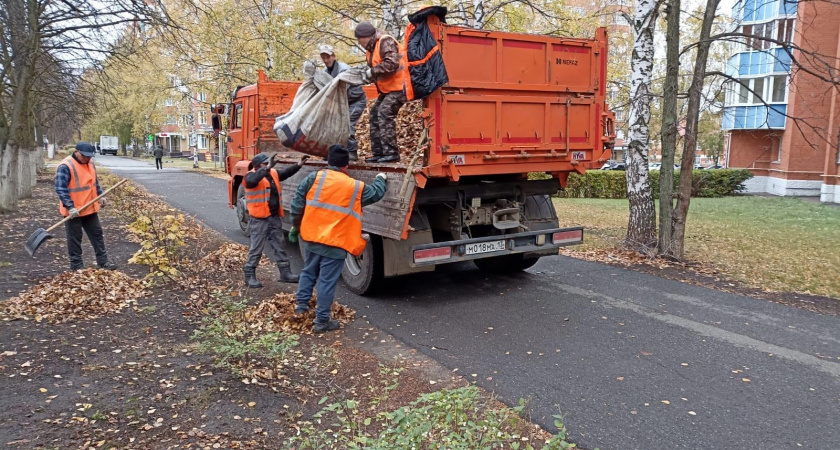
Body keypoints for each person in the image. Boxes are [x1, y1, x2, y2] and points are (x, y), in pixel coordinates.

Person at [289, 145, 387, 333]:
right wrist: (381, 179)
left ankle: (301, 306)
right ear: (346, 165)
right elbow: (376, 193)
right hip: (335, 243)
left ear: (329, 162)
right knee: (326, 282)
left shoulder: (314, 178)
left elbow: (297, 203)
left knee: (309, 272)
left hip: (311, 237)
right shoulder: (354, 186)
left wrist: (296, 225)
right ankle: (321, 322)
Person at [242, 152, 309, 288]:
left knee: (280, 246)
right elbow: (252, 181)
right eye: (265, 163)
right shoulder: (250, 176)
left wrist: (299, 165)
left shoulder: (272, 173)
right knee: (256, 248)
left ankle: (285, 274)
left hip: (273, 217)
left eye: (268, 163)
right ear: (257, 166)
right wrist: (265, 169)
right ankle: (249, 276)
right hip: (259, 219)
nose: (268, 165)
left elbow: (285, 173)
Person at [54, 142, 117, 271]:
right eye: (84, 156)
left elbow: (94, 183)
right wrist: (70, 207)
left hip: (89, 208)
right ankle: (76, 265)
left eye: (89, 156)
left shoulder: (90, 164)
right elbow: (61, 189)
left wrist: (100, 196)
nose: (87, 159)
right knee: (75, 238)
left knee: (97, 234)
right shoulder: (66, 166)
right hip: (74, 211)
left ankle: (103, 261)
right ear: (77, 152)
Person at [355, 21, 406, 164]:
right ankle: (379, 153)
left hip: (400, 87)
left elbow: (391, 63)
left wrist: (371, 72)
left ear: (366, 36)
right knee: (374, 114)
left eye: (359, 39)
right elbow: (374, 67)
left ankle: (391, 153)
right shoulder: (371, 48)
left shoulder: (385, 41)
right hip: (388, 89)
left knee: (384, 112)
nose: (359, 43)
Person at [319, 44, 368, 162]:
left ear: (334, 56)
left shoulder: (343, 69)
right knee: (332, 126)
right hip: (341, 103)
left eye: (328, 57)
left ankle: (352, 152)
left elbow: (341, 89)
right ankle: (335, 153)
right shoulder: (325, 72)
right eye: (324, 57)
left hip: (356, 101)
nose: (326, 60)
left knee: (347, 124)